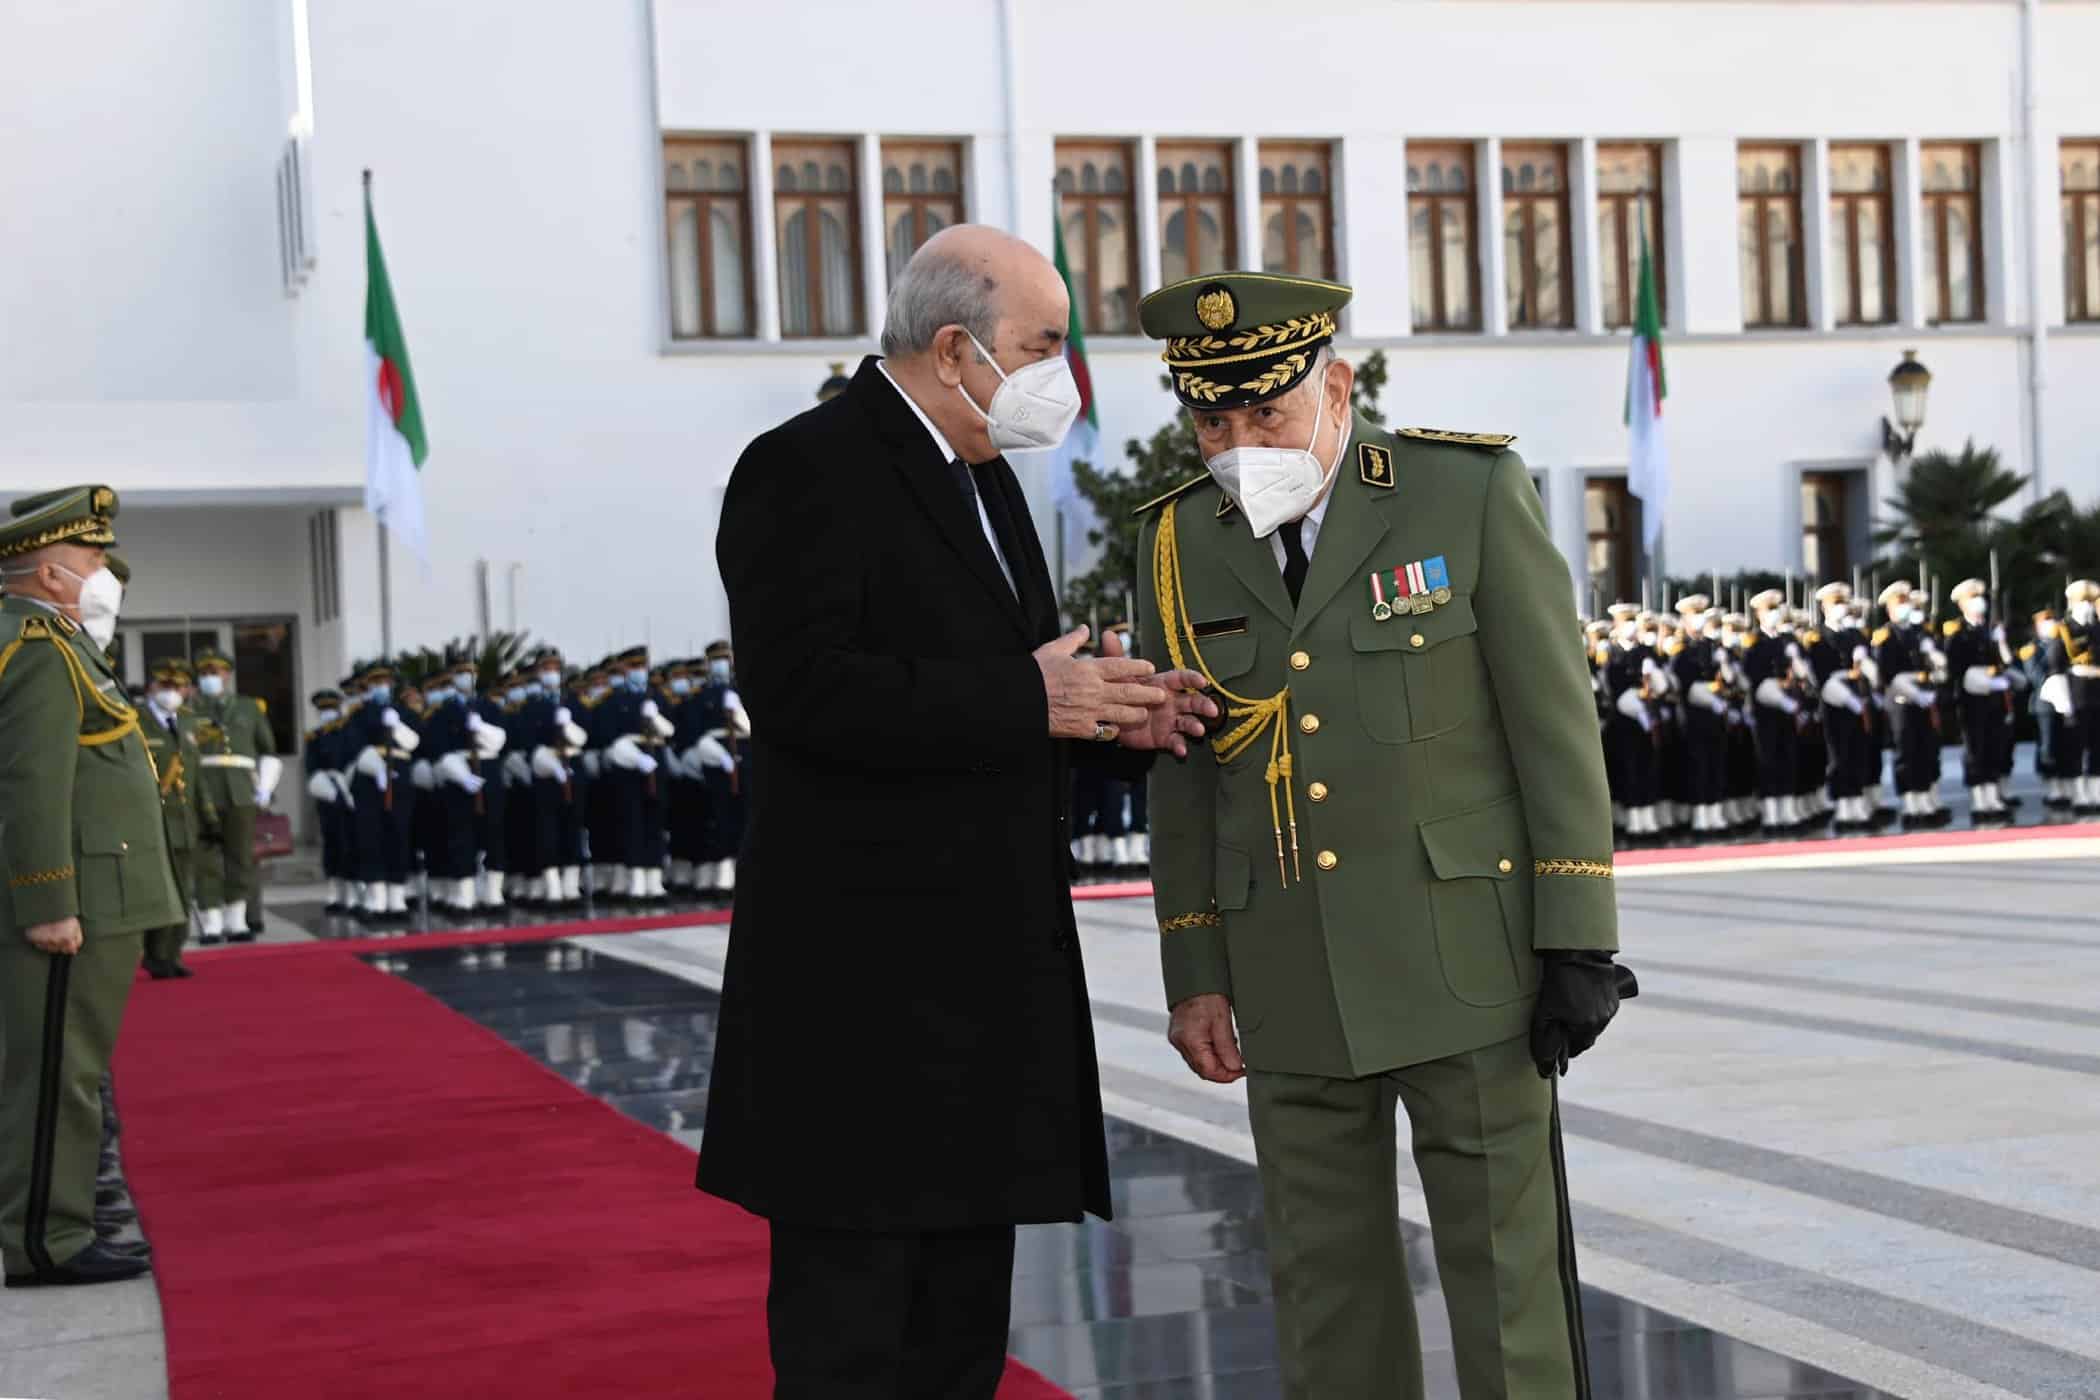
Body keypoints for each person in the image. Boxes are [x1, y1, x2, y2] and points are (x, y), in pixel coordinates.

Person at [699, 224, 1215, 1398]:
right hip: (862, 1007)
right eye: (1043, 344)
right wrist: (1033, 697)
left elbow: (1012, 696)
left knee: (957, 1340)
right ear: (951, 348)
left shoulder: (983, 477)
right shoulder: (805, 466)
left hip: (984, 997)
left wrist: (1109, 720)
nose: (1062, 376)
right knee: (854, 1346)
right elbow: (801, 691)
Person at [1132, 272, 1635, 1399]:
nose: (1238, 446)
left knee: (1508, 1287)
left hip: (1466, 960)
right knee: (1326, 1287)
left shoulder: (1462, 492)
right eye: (1212, 423)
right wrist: (1194, 971)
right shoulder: (1176, 542)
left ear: (1338, 387)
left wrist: (1578, 936)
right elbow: (1185, 779)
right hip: (1286, 969)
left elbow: (1554, 729)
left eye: (1265, 414)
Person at [1, 485, 185, 1287]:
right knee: (55, 1075)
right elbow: (32, 783)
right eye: (93, 556)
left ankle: (61, 1221)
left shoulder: (63, 643)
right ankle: (49, 1239)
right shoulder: (39, 648)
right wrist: (49, 901)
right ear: (50, 574)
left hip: (101, 893)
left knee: (69, 1070)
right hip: (74, 899)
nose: (105, 570)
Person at [189, 649, 280, 941]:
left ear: (227, 675)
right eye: (204, 673)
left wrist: (265, 787)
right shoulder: (188, 709)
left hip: (240, 790)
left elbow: (267, 749)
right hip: (201, 789)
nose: (210, 678)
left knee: (240, 857)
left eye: (215, 672)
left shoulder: (249, 708)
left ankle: (237, 919)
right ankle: (211, 920)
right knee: (205, 860)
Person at [140, 661, 213, 978]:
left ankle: (173, 953)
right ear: (151, 688)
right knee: (157, 891)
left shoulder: (187, 721)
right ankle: (154, 953)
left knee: (183, 889)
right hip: (152, 821)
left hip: (184, 822)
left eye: (178, 687)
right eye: (165, 686)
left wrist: (208, 816)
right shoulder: (135, 721)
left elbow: (196, 775)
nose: (171, 693)